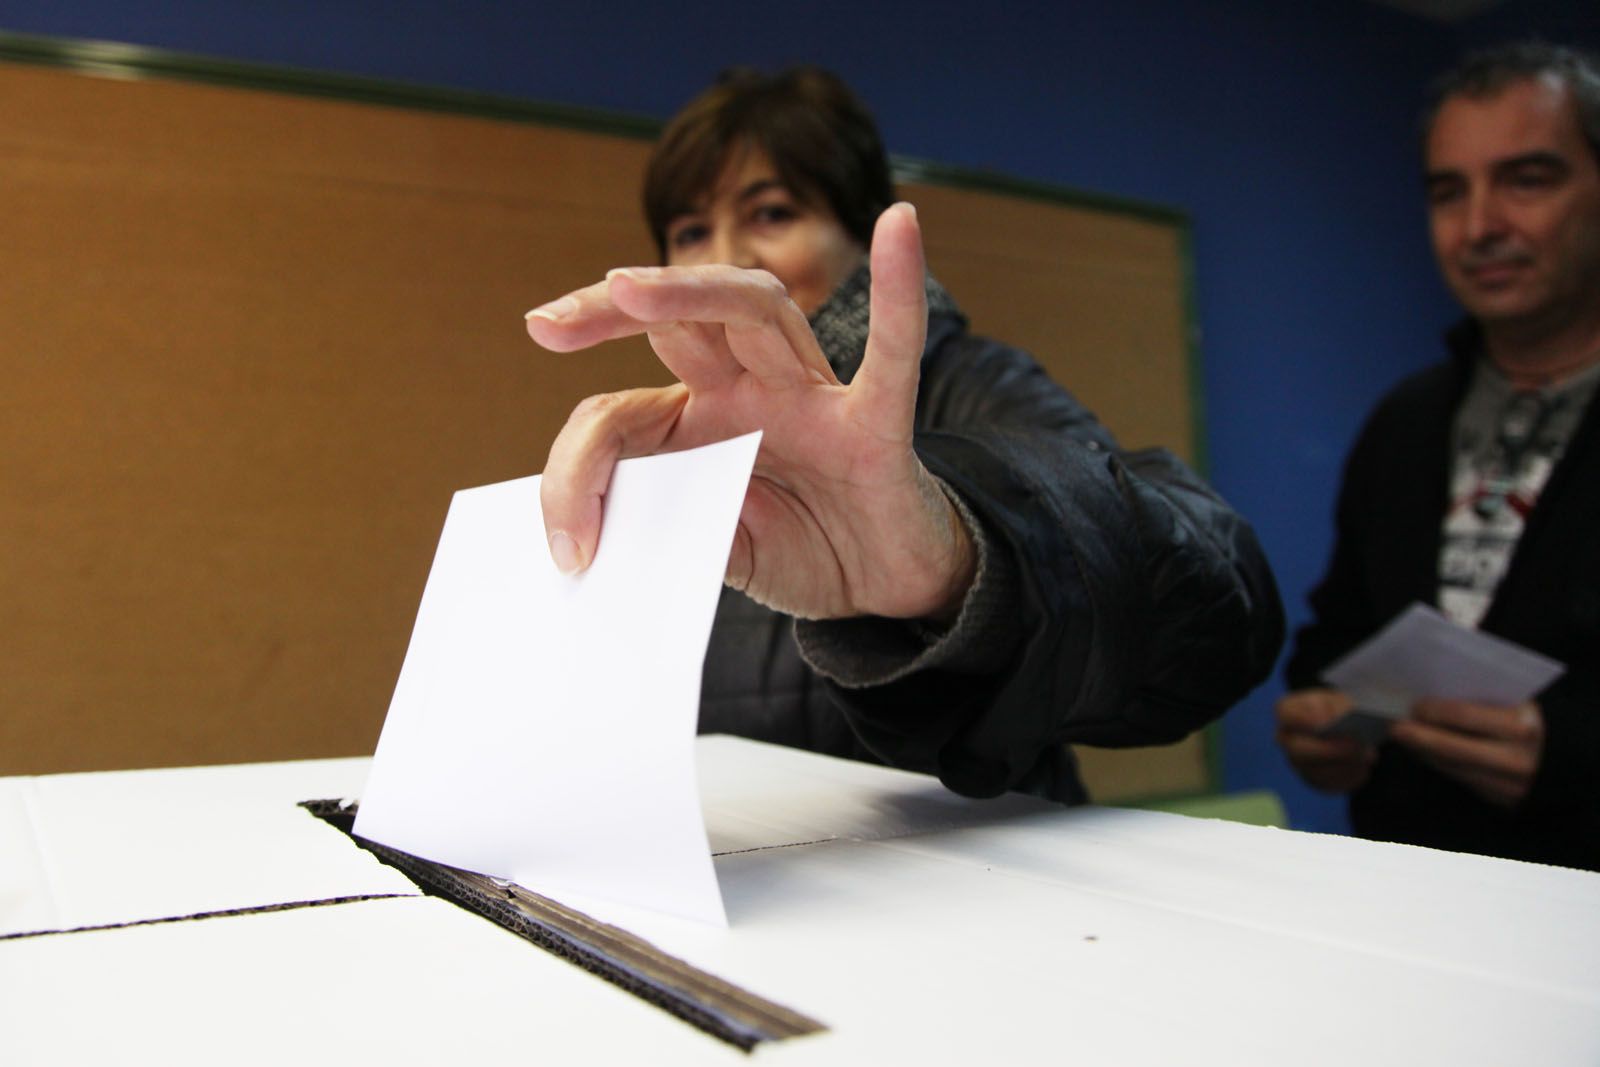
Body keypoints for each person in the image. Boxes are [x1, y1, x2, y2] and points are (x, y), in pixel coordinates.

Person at [527, 67, 1283, 803]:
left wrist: (959, 557)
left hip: (974, 896)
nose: (725, 255)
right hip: (754, 899)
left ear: (858, 232)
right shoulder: (680, 448)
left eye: (773, 214)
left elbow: (1225, 607)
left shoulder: (967, 379)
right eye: (691, 229)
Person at [1277, 43, 1600, 870]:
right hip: (1411, 895)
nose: (1481, 226)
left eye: (1527, 179)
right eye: (1448, 192)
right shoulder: (1406, 421)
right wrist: (1317, 719)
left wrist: (1573, 754)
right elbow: (1338, 633)